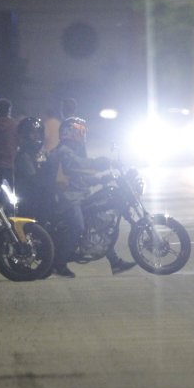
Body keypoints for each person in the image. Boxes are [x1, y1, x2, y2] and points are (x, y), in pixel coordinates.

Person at [34, 116, 136, 278]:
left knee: (98, 222)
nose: (83, 136)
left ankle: (115, 262)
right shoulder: (64, 152)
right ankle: (58, 264)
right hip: (66, 199)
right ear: (71, 133)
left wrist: (102, 178)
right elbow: (75, 166)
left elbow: (79, 179)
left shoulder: (70, 151)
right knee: (78, 227)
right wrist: (100, 163)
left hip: (76, 195)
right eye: (80, 132)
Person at [12, 116, 44, 216]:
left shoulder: (39, 153)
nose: (37, 136)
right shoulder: (24, 155)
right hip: (29, 198)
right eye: (33, 133)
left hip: (38, 197)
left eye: (38, 133)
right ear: (25, 135)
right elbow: (34, 178)